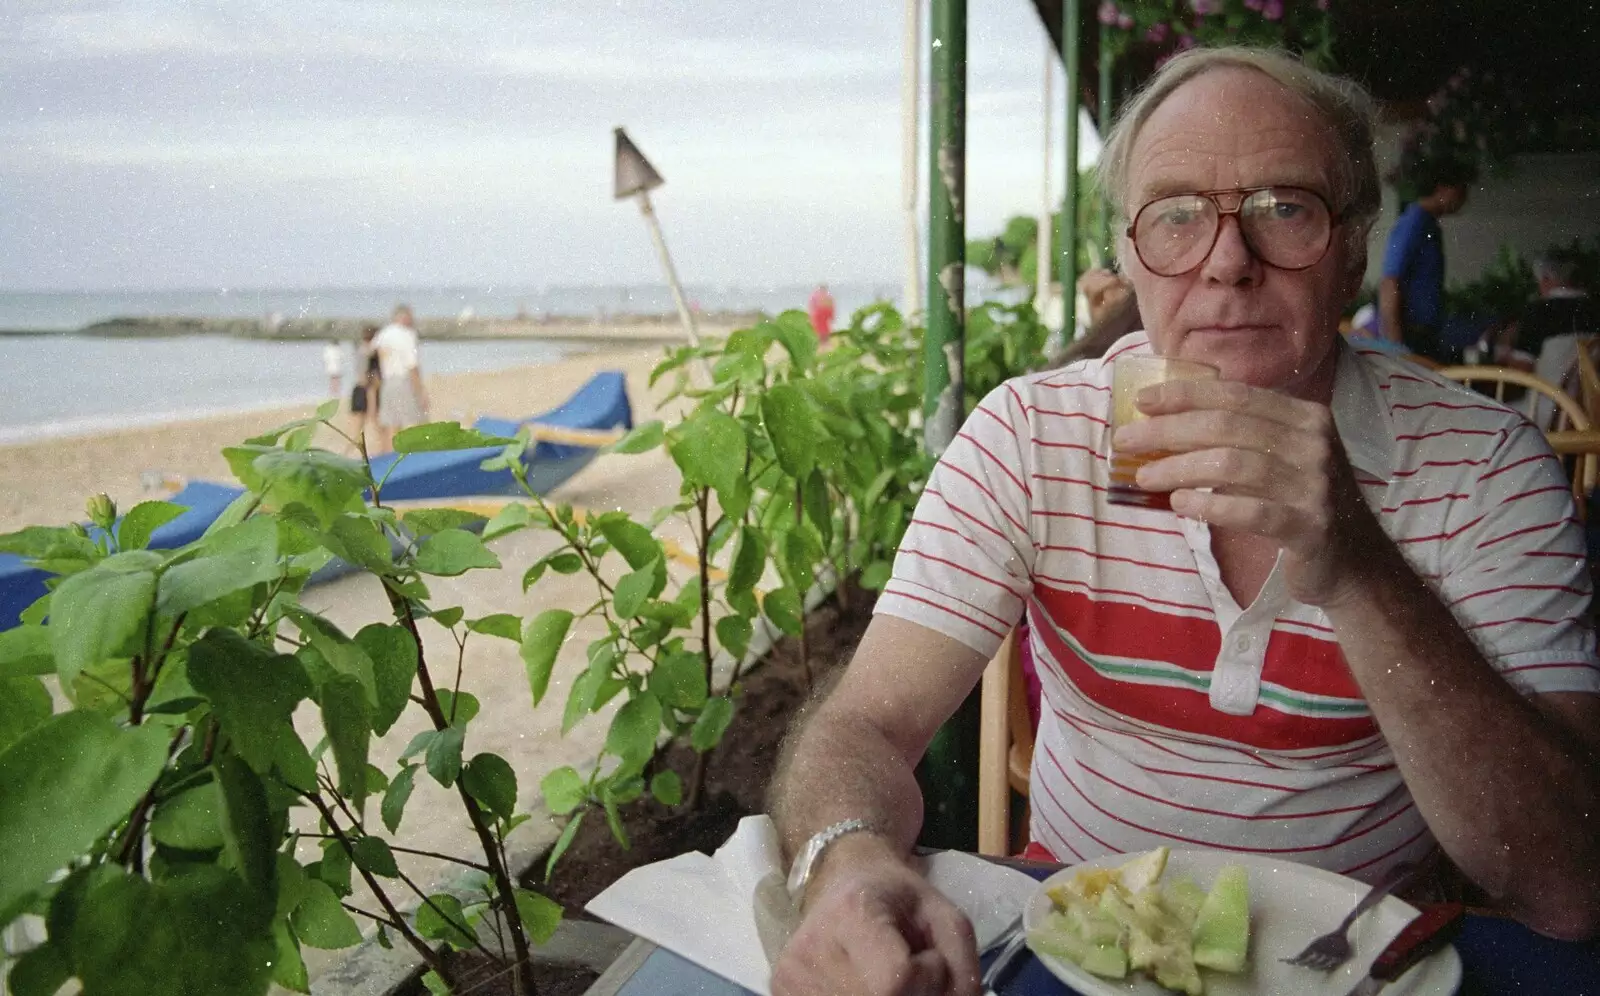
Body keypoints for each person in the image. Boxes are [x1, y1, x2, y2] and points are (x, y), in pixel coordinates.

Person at [770, 47, 1600, 996]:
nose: (1228, 262)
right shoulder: (1032, 435)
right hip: (1076, 951)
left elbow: (1571, 886)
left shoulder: (1488, 466)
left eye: (1286, 208)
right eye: (1176, 216)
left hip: (1362, 969)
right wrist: (845, 860)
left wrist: (1358, 565)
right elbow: (863, 724)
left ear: (1356, 247)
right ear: (1128, 257)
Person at [1378, 158, 1474, 362]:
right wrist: (1395, 345)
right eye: (1460, 189)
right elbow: (1390, 281)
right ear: (1442, 189)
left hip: (1426, 332)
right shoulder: (1415, 222)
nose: (1464, 197)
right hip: (1411, 333)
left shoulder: (1428, 224)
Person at [371, 305, 429, 451]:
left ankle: (390, 459)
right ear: (405, 317)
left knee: (392, 424)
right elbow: (412, 366)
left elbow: (372, 354)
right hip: (403, 380)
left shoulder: (384, 333)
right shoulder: (407, 335)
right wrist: (421, 391)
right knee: (414, 422)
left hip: (387, 382)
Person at [348, 324, 383, 447]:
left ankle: (351, 453)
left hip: (359, 389)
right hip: (368, 390)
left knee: (357, 429)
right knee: (377, 427)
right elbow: (369, 378)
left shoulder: (360, 350)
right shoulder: (370, 353)